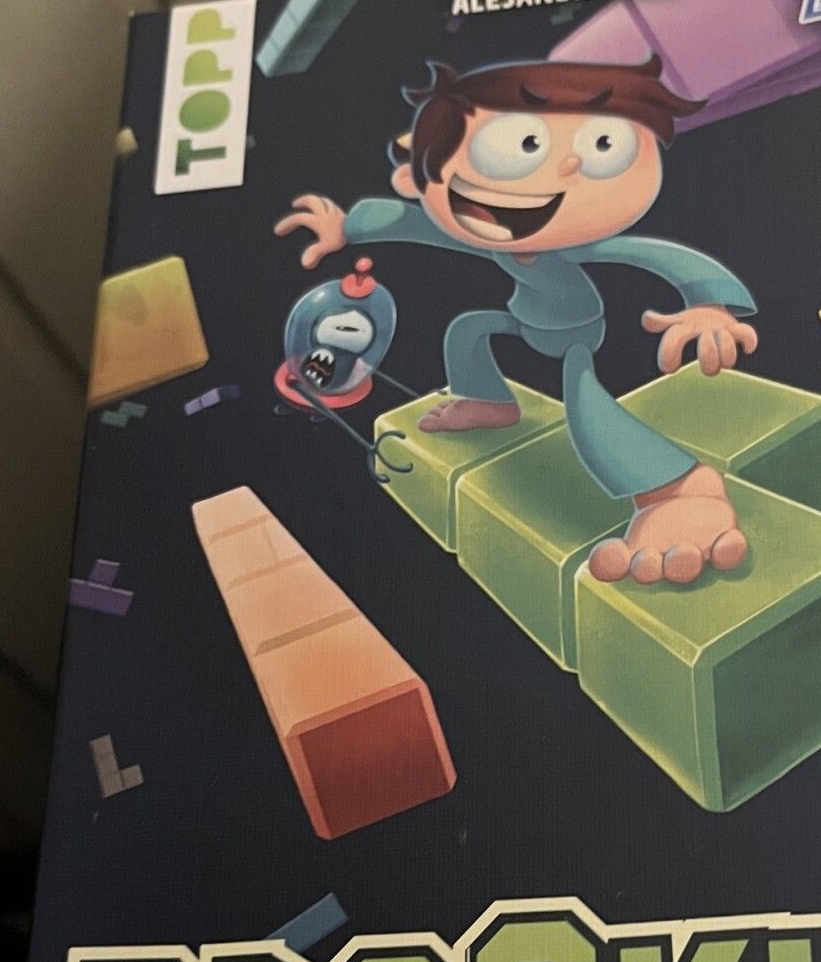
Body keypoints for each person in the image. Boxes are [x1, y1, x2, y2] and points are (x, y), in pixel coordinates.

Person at [276, 56, 759, 587]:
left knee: (585, 405)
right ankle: (491, 403)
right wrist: (347, 227)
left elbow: (659, 255)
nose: (568, 166)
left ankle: (680, 489)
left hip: (577, 335)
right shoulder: (481, 230)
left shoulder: (580, 242)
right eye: (520, 146)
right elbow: (414, 223)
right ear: (414, 175)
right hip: (523, 322)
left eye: (604, 146)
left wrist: (711, 304)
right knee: (468, 329)